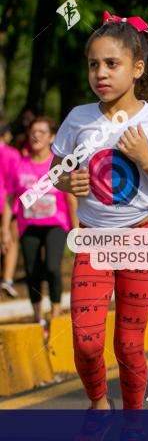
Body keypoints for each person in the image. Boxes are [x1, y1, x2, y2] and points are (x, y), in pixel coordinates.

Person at [51, 11, 148, 441]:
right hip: (93, 239)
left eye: (111, 64)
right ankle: (98, 405)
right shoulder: (77, 118)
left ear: (136, 67)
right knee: (87, 341)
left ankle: (135, 428)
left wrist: (147, 160)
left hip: (139, 238)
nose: (101, 74)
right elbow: (58, 173)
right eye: (93, 64)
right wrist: (66, 180)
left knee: (129, 345)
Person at [1, 117, 77, 333]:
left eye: (42, 132)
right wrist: (5, 229)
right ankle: (37, 317)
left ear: (52, 137)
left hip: (56, 224)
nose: (36, 135)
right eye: (33, 131)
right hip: (28, 226)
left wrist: (76, 230)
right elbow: (9, 198)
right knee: (33, 271)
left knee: (53, 268)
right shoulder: (19, 164)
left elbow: (71, 199)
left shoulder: (59, 165)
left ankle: (55, 312)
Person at [0, 122, 22, 297]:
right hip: (6, 203)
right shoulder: (13, 154)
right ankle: (7, 279)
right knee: (12, 241)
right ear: (6, 135)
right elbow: (17, 181)